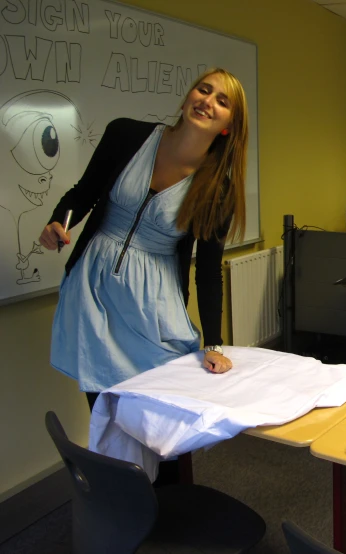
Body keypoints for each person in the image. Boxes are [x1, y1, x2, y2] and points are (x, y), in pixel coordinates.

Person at [39, 67, 248, 412]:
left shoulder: (218, 190)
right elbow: (83, 195)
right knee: (106, 410)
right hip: (95, 288)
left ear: (228, 125)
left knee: (160, 414)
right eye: (203, 90)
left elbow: (209, 271)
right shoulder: (125, 135)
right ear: (188, 98)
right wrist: (58, 222)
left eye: (221, 101)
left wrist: (214, 344)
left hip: (153, 301)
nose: (207, 101)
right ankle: (117, 468)